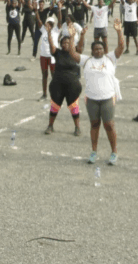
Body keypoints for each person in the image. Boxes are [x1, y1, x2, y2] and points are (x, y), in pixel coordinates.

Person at [81, 20, 124, 165]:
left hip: (107, 98)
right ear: (92, 51)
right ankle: (94, 152)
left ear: (104, 50)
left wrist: (119, 31)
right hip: (91, 99)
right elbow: (73, 53)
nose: (98, 51)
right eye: (96, 49)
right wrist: (79, 36)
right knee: (94, 125)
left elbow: (121, 47)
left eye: (100, 48)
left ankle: (114, 152)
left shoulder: (110, 58)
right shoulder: (86, 60)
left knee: (109, 125)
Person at [44, 26, 87, 137]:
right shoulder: (57, 53)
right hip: (57, 84)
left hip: (72, 85)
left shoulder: (75, 53)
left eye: (68, 43)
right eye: (63, 43)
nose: (65, 44)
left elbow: (80, 46)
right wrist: (48, 34)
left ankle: (77, 127)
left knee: (74, 107)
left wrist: (81, 35)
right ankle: (50, 126)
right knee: (54, 106)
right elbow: (51, 45)